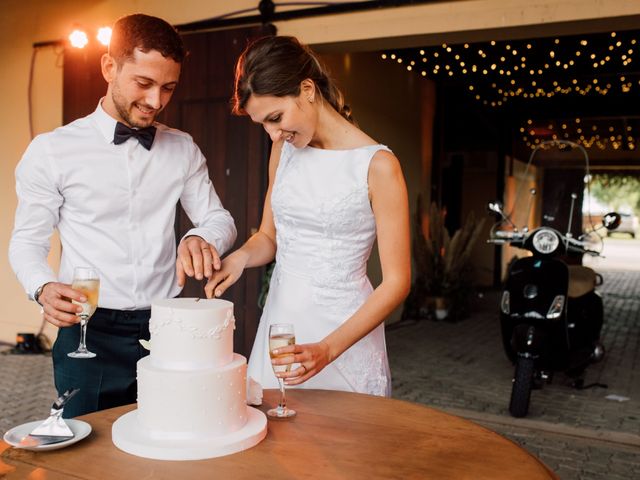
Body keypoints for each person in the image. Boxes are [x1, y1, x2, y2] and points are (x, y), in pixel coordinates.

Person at [9, 14, 236, 417]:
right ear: (109, 67)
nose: (155, 101)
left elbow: (220, 219)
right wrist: (43, 287)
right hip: (86, 329)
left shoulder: (182, 148)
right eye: (144, 84)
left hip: (168, 327)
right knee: (90, 456)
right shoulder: (51, 151)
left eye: (168, 87)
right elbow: (27, 242)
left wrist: (200, 237)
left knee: (171, 442)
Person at [205, 36, 411, 396]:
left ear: (307, 89)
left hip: (344, 332)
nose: (273, 133)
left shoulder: (378, 166)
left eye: (276, 117)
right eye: (263, 125)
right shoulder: (282, 150)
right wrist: (238, 259)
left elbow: (397, 282)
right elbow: (268, 237)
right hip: (283, 325)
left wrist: (328, 348)